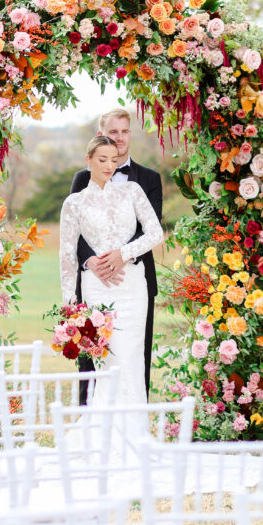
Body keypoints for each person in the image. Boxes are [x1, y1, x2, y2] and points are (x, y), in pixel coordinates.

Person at [59, 133, 163, 407]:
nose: (108, 166)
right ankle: (102, 431)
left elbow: (155, 233)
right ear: (88, 160)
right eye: (102, 159)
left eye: (114, 160)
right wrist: (70, 306)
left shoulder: (133, 191)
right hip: (96, 289)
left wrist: (123, 253)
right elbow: (67, 254)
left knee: (131, 358)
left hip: (133, 288)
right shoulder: (74, 203)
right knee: (105, 360)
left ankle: (135, 431)